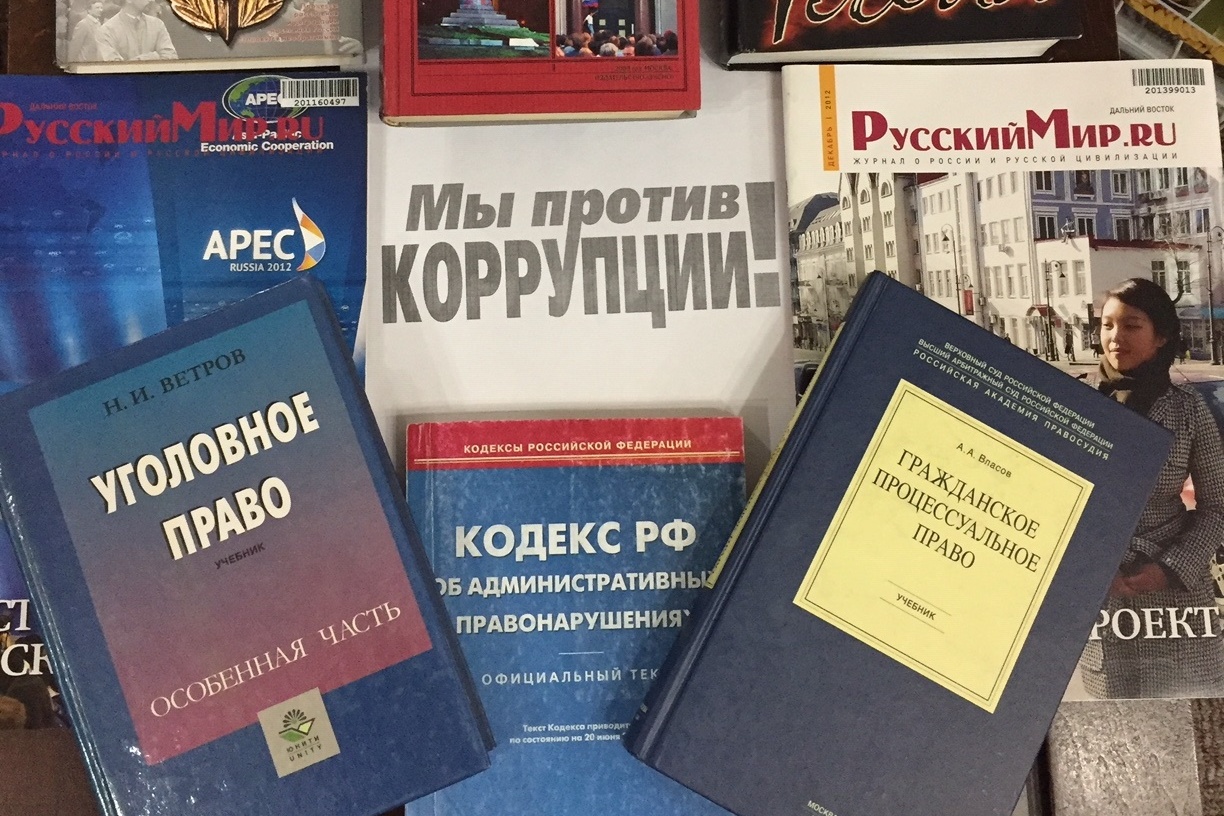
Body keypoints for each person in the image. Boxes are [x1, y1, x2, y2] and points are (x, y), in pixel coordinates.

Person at [1079, 277, 1224, 698]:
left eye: (1131, 325)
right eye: (1107, 325)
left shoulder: (1187, 409)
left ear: (1160, 336)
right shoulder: (1074, 401)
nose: (1115, 337)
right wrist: (1088, 567)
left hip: (1176, 603)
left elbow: (1218, 506)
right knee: (1113, 725)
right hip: (1100, 601)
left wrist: (1168, 569)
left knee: (1192, 720)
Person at [96, 0, 177, 62]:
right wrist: (154, 56)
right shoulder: (107, 30)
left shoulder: (157, 24)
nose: (151, 0)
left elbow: (171, 58)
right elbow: (115, 68)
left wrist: (134, 61)